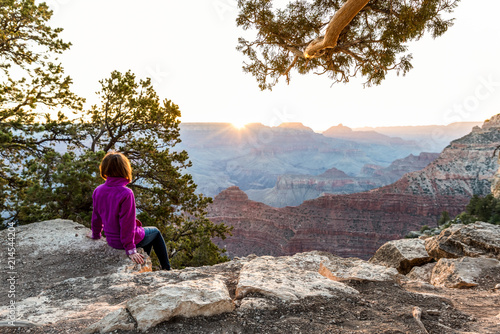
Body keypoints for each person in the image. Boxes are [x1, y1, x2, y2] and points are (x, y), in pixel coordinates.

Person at [86, 151, 171, 270]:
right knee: (155, 232)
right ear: (125, 169)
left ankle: (144, 261)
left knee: (148, 235)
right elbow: (127, 224)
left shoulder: (98, 190)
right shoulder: (126, 193)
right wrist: (130, 249)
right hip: (124, 242)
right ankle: (167, 269)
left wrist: (95, 234)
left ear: (105, 168)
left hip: (111, 240)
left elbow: (96, 217)